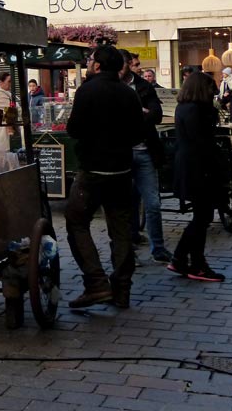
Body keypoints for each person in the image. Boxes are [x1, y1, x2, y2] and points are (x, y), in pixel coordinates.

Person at [64, 44, 145, 309]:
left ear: (98, 65)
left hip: (93, 171)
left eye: (90, 59)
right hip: (122, 170)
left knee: (76, 222)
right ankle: (122, 290)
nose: (88, 63)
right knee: (121, 230)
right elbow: (136, 134)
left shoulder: (87, 90)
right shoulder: (128, 93)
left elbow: (74, 129)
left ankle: (96, 283)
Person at [169, 71, 225, 282]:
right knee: (202, 217)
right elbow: (201, 142)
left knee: (201, 216)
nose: (213, 94)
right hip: (198, 168)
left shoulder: (185, 107)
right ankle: (191, 261)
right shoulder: (195, 110)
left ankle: (185, 259)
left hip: (191, 166)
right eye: (211, 90)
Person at [119, 49, 172, 264]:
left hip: (145, 150)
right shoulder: (111, 87)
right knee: (125, 202)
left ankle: (158, 248)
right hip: (120, 154)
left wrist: (140, 116)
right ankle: (127, 246)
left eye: (126, 64)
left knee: (152, 202)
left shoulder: (143, 85)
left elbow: (156, 114)